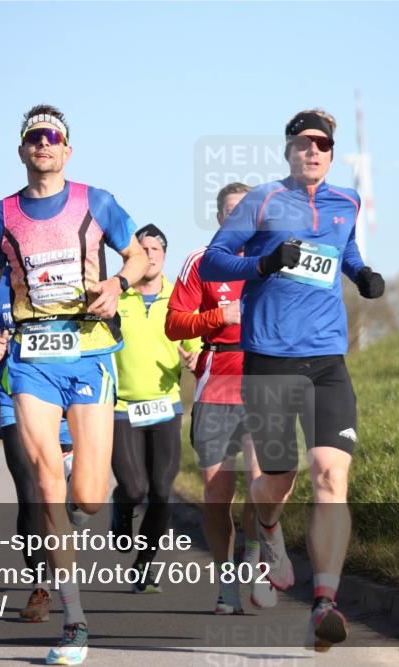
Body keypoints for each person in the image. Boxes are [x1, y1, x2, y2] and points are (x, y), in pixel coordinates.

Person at [199, 109, 385, 652]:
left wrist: (362, 274)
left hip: (328, 360)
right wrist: (261, 265)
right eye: (304, 144)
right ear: (288, 150)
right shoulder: (261, 200)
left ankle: (325, 601)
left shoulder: (346, 202)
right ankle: (269, 529)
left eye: (323, 145)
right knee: (276, 477)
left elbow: (344, 250)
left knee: (330, 474)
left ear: (331, 153)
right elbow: (214, 261)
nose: (313, 152)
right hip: (270, 357)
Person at [0, 105, 148, 666]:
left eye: (52, 136)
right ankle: (74, 623)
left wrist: (119, 282)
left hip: (90, 350)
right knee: (47, 481)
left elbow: (139, 254)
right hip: (30, 356)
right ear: (21, 151)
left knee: (89, 497)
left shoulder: (97, 200)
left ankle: (80, 495)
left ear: (68, 149)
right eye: (32, 137)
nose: (42, 144)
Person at [165, 183, 282, 615]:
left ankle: (254, 556)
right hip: (216, 384)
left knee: (261, 485)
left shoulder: (276, 262)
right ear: (219, 221)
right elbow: (174, 324)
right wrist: (220, 316)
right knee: (218, 497)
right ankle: (226, 584)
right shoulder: (201, 262)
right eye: (232, 215)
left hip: (263, 381)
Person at [0, 266, 75, 624]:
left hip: (65, 399)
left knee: (62, 498)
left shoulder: (68, 274)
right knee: (31, 493)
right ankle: (41, 587)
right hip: (15, 398)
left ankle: (64, 529)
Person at [109, 224, 201, 592]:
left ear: (164, 255)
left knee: (161, 491)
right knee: (134, 487)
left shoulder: (179, 299)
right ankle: (121, 503)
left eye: (155, 250)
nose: (149, 255)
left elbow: (195, 346)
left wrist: (196, 361)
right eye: (141, 249)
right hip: (121, 407)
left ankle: (144, 566)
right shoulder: (116, 297)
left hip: (166, 406)